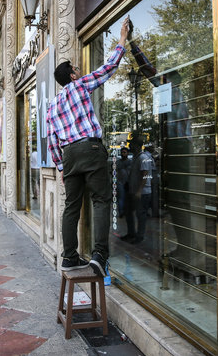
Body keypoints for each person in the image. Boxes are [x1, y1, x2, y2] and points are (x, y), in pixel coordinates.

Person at [46, 16, 130, 276]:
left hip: (69, 155)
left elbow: (51, 140)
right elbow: (108, 68)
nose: (80, 72)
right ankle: (99, 257)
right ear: (72, 75)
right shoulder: (80, 86)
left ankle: (69, 257)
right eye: (77, 69)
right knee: (101, 200)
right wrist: (122, 40)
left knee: (71, 207)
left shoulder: (52, 106)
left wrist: (61, 167)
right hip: (91, 149)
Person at [124, 134, 153, 244]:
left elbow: (145, 175)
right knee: (130, 213)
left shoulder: (143, 158)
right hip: (134, 191)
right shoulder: (136, 157)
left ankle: (139, 236)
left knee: (141, 215)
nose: (129, 145)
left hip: (142, 193)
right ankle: (131, 233)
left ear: (137, 145)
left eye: (131, 143)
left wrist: (139, 191)